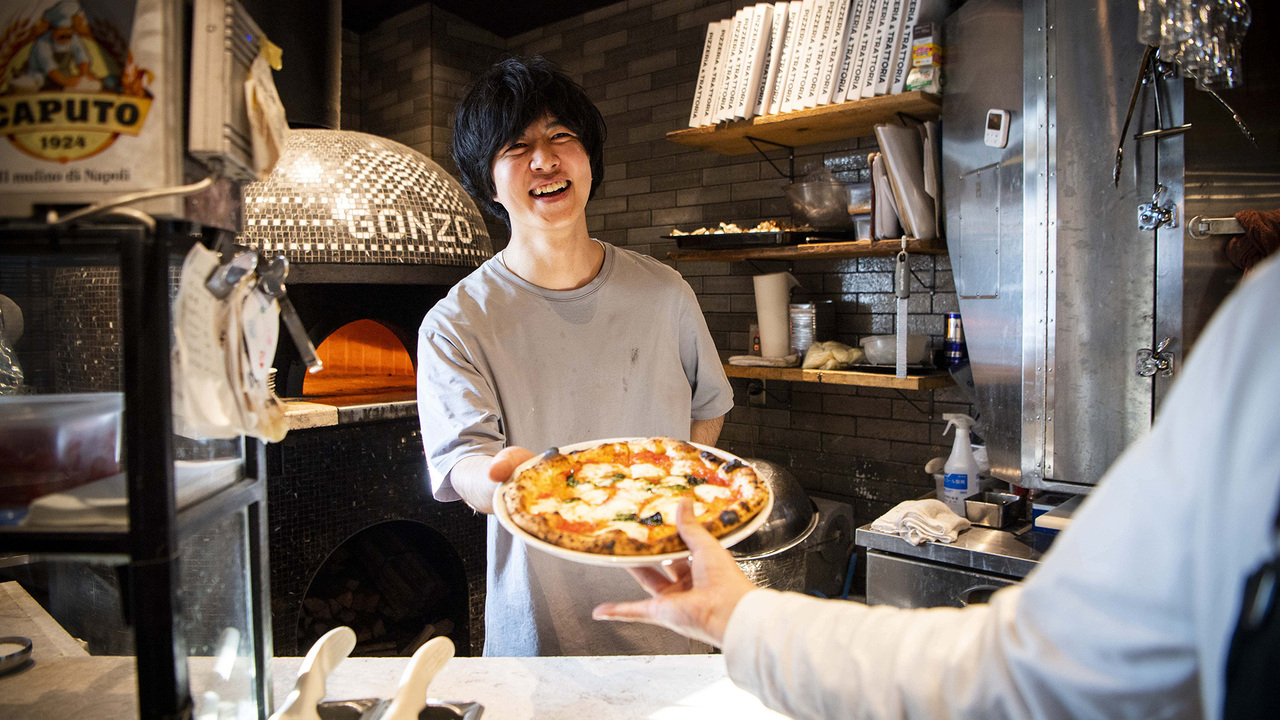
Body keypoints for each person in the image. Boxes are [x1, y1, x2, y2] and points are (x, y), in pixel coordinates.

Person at [595, 255, 1280, 719]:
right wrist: (739, 620)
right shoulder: (1262, 331)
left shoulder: (664, 290)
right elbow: (1037, 668)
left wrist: (742, 620)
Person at [416, 56, 734, 657]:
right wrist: (500, 479)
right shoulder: (456, 324)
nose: (545, 159)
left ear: (589, 160)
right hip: (538, 640)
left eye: (562, 136)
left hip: (670, 633)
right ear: (487, 181)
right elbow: (463, 464)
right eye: (517, 145)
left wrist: (679, 495)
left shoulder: (666, 294)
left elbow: (710, 406)